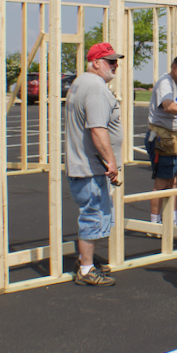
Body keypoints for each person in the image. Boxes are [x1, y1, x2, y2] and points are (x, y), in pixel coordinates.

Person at [64, 41, 125, 286]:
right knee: (93, 215)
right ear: (96, 63)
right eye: (110, 62)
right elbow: (98, 130)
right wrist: (111, 161)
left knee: (93, 213)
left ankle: (86, 261)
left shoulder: (80, 82)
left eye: (116, 61)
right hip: (90, 166)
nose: (115, 66)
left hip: (83, 163)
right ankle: (86, 270)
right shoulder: (96, 88)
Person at [146, 53, 177, 231]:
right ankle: (155, 223)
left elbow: (175, 110)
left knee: (176, 180)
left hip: (172, 137)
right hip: (162, 139)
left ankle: (174, 220)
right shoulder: (165, 82)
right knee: (162, 183)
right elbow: (168, 106)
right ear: (174, 67)